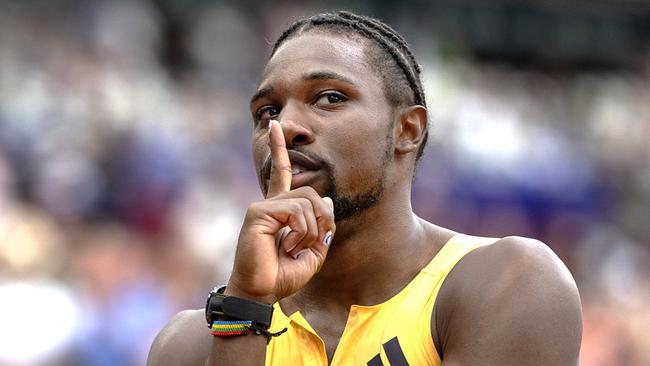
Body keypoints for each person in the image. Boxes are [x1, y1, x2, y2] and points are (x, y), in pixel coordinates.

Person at [147, 11, 582, 366]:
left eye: (330, 98)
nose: (286, 127)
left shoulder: (508, 281)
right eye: (267, 111)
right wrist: (246, 310)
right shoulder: (190, 346)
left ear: (406, 129)